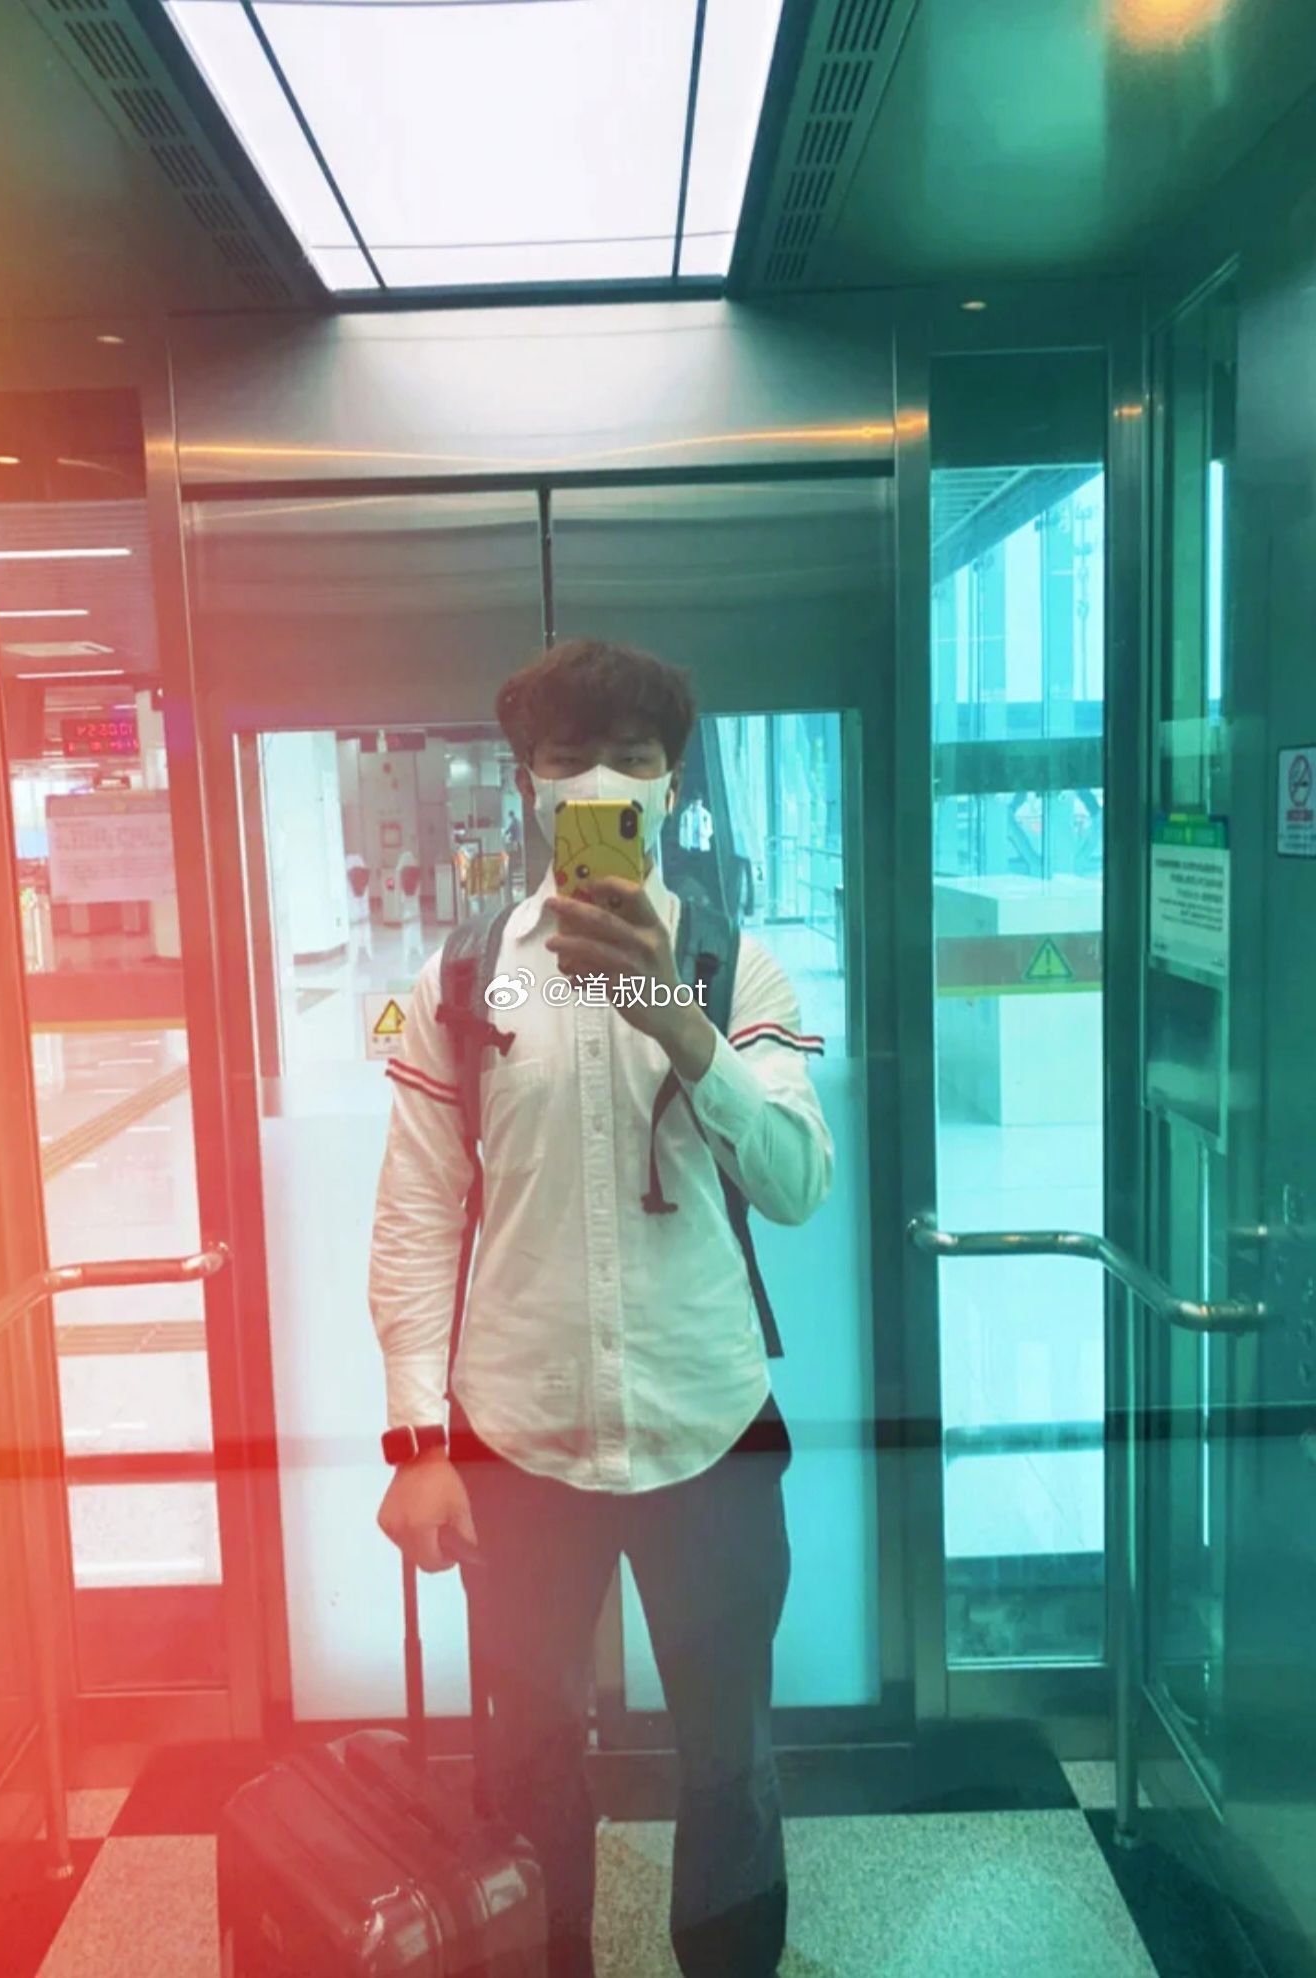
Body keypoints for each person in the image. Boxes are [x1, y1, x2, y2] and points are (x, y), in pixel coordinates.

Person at [368, 639, 833, 1978]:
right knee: (523, 1754)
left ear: (673, 784)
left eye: (631, 760)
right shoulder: (461, 982)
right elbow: (415, 1216)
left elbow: (798, 1183)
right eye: (569, 760)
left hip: (710, 1428)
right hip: (516, 1440)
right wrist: (417, 1442)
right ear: (527, 784)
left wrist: (676, 1022)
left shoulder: (738, 968)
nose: (599, 787)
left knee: (729, 1758)